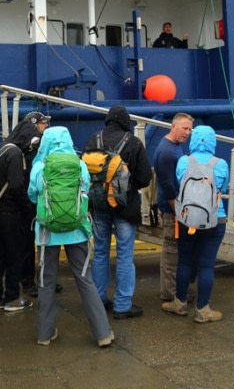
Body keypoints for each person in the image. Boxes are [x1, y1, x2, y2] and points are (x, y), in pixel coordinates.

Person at [28, 126, 114, 348]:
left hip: (48, 232)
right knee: (85, 280)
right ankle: (103, 333)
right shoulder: (80, 165)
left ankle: (44, 335)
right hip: (78, 231)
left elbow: (32, 194)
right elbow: (85, 190)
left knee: (46, 282)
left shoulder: (40, 166)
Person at [83, 104, 152, 319]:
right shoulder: (133, 142)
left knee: (100, 251)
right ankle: (123, 305)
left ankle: (99, 299)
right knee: (124, 255)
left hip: (97, 205)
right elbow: (144, 178)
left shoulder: (93, 139)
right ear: (126, 121)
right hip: (124, 207)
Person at [162, 125, 228, 323]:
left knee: (184, 261)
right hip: (215, 219)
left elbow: (179, 182)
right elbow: (222, 188)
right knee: (207, 265)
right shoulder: (221, 163)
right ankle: (203, 310)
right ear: (213, 141)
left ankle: (179, 303)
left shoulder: (184, 161)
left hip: (186, 218)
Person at [0, 118, 43, 313]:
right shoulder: (15, 153)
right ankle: (12, 298)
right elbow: (16, 185)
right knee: (15, 255)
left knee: (0, 254)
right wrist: (28, 209)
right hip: (10, 213)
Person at [152, 112, 194, 302]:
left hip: (177, 207)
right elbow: (168, 186)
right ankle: (169, 295)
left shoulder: (174, 147)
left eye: (190, 130)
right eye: (184, 128)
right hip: (172, 210)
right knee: (170, 252)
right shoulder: (167, 152)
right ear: (173, 126)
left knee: (178, 250)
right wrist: (178, 212)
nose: (187, 133)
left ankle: (177, 290)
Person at [18, 111, 51, 299]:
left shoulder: (17, 143)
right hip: (33, 198)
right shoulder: (35, 145)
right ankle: (32, 281)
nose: (45, 127)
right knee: (34, 241)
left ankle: (33, 279)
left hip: (24, 198)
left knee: (27, 241)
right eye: (43, 124)